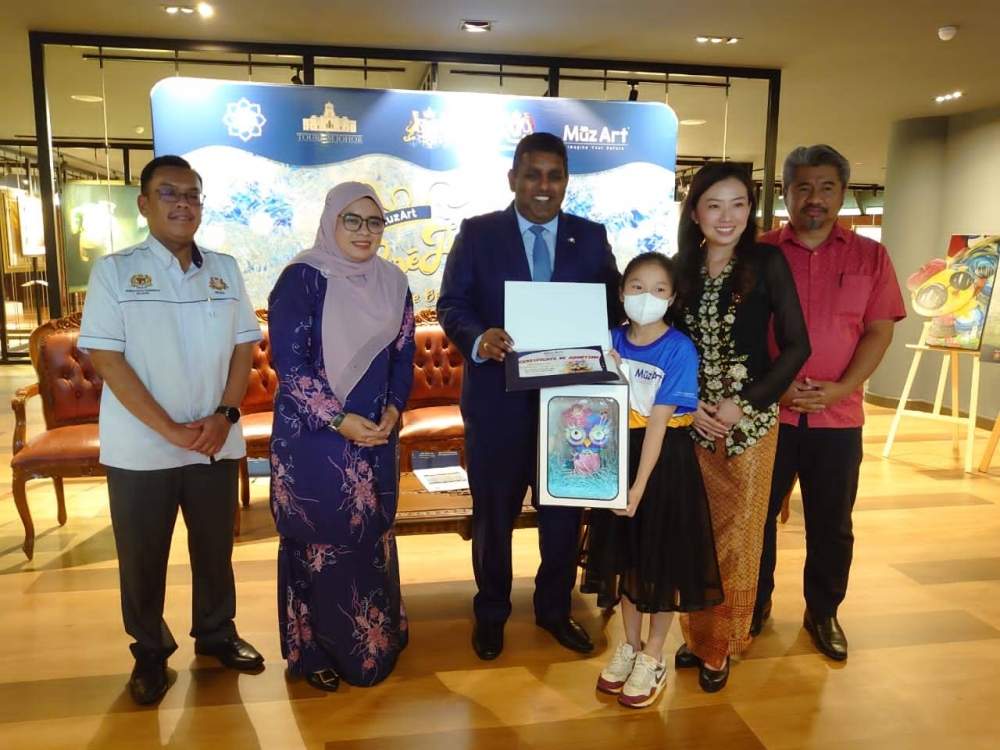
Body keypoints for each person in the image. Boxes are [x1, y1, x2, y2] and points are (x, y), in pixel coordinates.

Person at [79, 155, 265, 705]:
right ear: (144, 204)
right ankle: (150, 654)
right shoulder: (115, 272)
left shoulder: (225, 269)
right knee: (142, 557)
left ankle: (216, 634)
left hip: (213, 442)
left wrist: (225, 415)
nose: (183, 204)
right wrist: (169, 429)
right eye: (169, 193)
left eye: (193, 194)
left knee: (214, 549)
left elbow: (243, 347)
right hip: (140, 448)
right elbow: (108, 360)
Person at [437, 132, 622, 660]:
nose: (544, 186)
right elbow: (452, 303)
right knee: (494, 516)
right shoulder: (478, 233)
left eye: (555, 175)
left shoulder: (589, 237)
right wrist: (477, 337)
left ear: (566, 181)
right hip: (497, 403)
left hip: (571, 409)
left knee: (563, 514)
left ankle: (553, 610)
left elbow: (611, 306)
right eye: (533, 174)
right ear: (513, 178)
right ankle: (491, 612)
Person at [754, 145, 905, 661]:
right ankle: (753, 608)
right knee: (757, 516)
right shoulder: (760, 252)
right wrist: (774, 384)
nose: (813, 198)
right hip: (766, 415)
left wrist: (841, 389)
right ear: (785, 192)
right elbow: (745, 335)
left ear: (843, 193)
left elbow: (879, 331)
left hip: (838, 417)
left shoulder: (870, 256)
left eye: (825, 188)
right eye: (802, 187)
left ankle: (823, 612)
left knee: (832, 523)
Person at [268, 182, 415, 692]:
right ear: (331, 221)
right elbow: (289, 365)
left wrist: (394, 411)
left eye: (374, 222)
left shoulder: (394, 282)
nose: (364, 231)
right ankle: (315, 652)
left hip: (376, 434)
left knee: (369, 534)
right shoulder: (302, 279)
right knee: (321, 540)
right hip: (315, 437)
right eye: (352, 220)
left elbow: (403, 355)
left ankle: (375, 642)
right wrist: (338, 419)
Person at [673, 162, 811, 692]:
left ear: (750, 210)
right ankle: (695, 634)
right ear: (694, 212)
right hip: (692, 422)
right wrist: (691, 404)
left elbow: (798, 345)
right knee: (696, 536)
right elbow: (668, 347)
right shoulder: (681, 267)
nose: (726, 216)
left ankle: (721, 647)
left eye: (737, 204)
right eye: (714, 205)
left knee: (739, 538)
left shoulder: (767, 261)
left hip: (749, 425)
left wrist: (743, 403)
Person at [580, 252, 723, 709]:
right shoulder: (607, 339)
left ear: (673, 297)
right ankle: (629, 645)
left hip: (663, 465)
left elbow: (658, 423)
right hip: (617, 457)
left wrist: (638, 487)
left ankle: (653, 656)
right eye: (637, 287)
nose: (648, 297)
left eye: (660, 289)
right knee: (626, 558)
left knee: (661, 560)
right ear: (622, 293)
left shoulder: (678, 348)